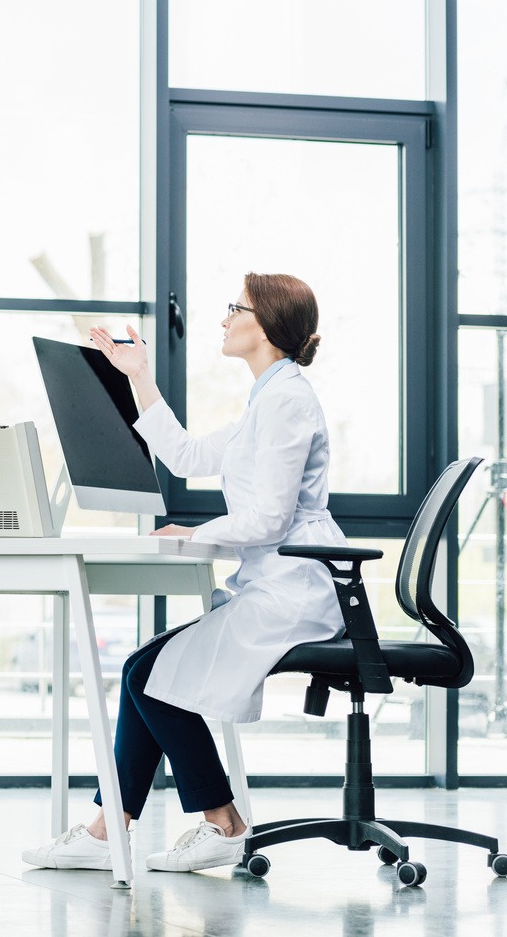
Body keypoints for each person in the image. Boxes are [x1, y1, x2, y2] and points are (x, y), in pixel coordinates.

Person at [23, 272, 345, 873]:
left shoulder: (287, 401)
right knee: (144, 671)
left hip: (292, 590)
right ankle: (109, 830)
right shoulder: (267, 400)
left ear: (267, 324)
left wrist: (195, 534)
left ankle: (214, 823)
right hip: (277, 583)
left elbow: (271, 518)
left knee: (146, 675)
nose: (224, 319)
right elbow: (190, 455)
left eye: (236, 308)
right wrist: (138, 377)